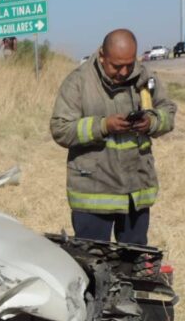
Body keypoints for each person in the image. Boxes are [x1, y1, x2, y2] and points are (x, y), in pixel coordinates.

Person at [49, 29, 176, 245]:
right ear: (101, 56)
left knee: (134, 263)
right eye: (116, 66)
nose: (124, 71)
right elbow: (60, 129)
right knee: (94, 264)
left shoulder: (146, 78)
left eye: (129, 64)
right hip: (93, 196)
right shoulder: (78, 82)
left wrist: (152, 122)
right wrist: (103, 125)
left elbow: (168, 112)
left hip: (136, 193)